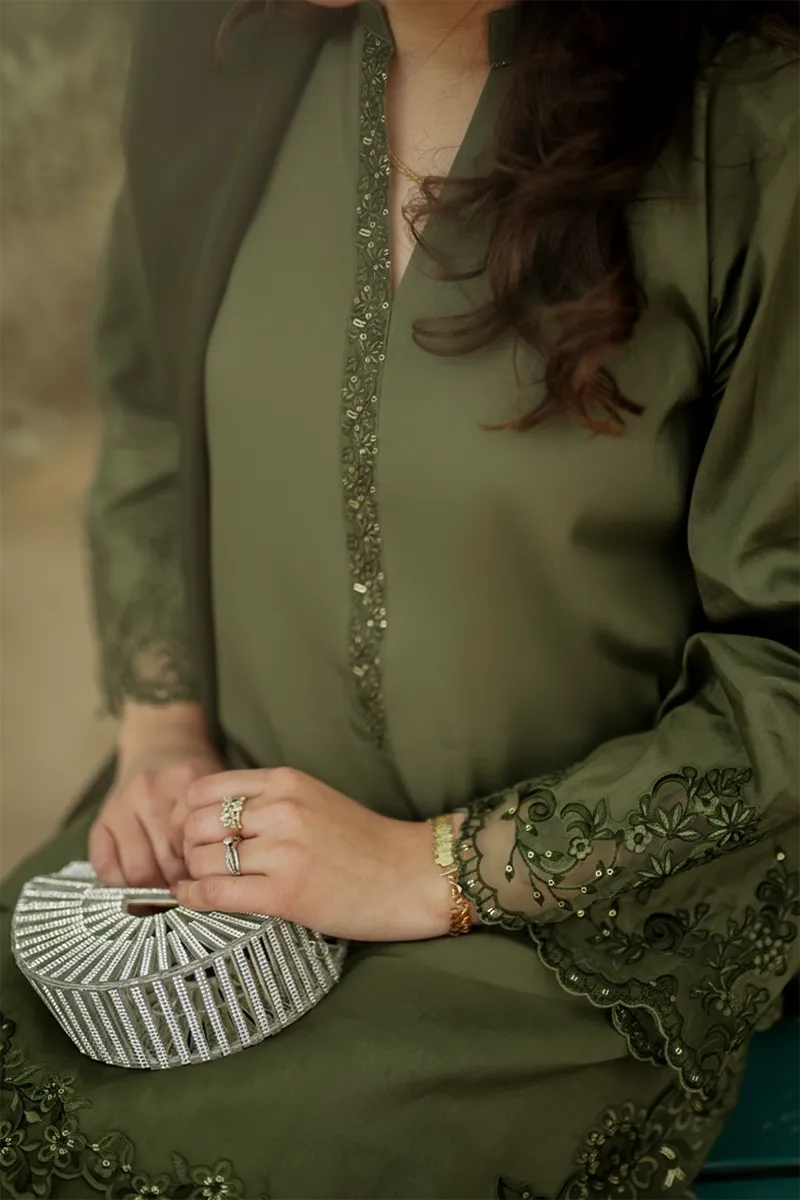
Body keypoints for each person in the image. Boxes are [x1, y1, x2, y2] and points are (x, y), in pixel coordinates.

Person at [2, 0, 800, 1195]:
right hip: (210, 859)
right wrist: (163, 730)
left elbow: (780, 667)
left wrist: (427, 869)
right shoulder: (214, 47)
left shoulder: (751, 126)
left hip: (577, 914)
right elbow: (156, 416)